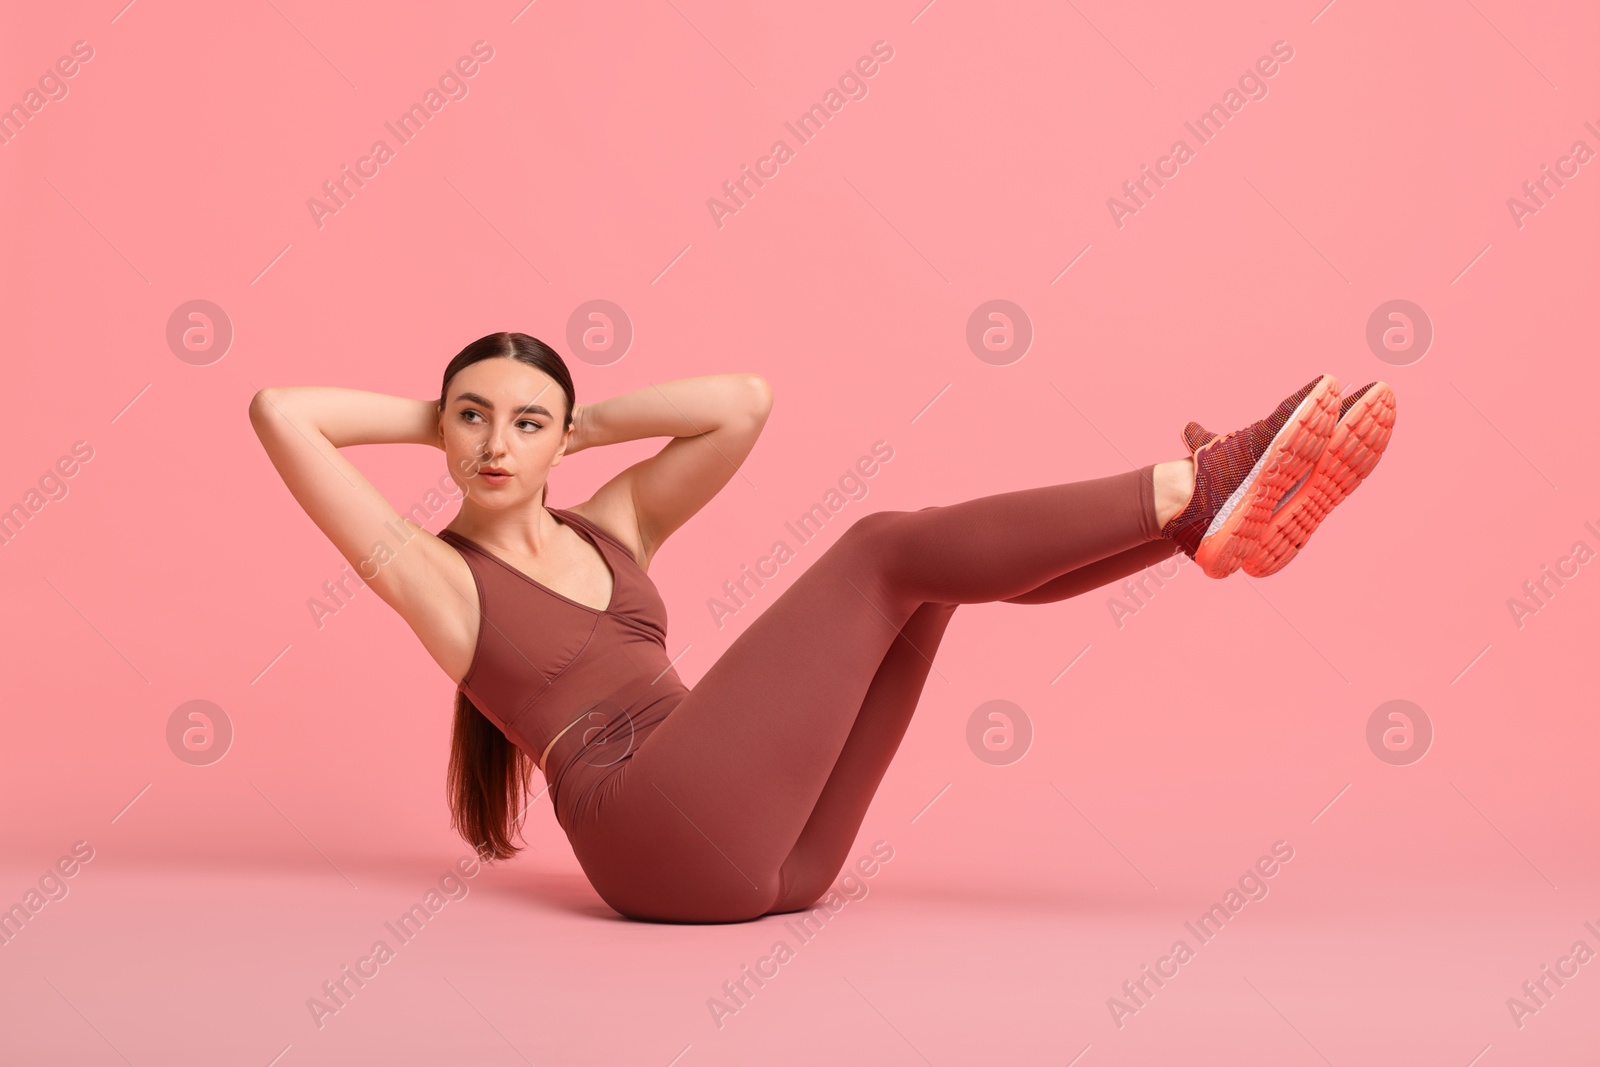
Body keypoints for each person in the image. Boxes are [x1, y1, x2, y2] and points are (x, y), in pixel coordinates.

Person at [249, 332, 1396, 923]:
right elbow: (280, 413)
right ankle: (1195, 485)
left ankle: (1189, 529)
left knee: (924, 585)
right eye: (474, 422)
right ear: (444, 433)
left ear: (563, 443)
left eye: (526, 424)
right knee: (881, 545)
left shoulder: (613, 526)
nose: (498, 445)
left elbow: (739, 400)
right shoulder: (439, 581)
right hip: (655, 838)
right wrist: (443, 413)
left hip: (774, 860)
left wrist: (576, 419)